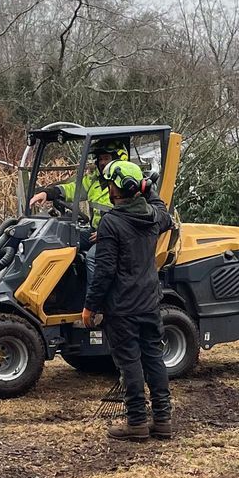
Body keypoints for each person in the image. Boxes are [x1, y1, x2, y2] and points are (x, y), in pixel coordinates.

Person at [81, 158, 174, 441]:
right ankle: (163, 420)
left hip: (122, 308)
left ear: (118, 188)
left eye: (110, 183)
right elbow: (161, 210)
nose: (107, 187)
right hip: (149, 302)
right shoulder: (153, 217)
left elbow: (105, 271)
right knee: (154, 359)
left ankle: (135, 422)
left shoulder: (111, 222)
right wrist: (148, 187)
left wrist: (90, 306)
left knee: (130, 363)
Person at [31, 141, 124, 220]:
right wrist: (48, 193)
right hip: (98, 231)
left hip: (114, 234)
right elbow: (73, 189)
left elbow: (128, 215)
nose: (102, 162)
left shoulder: (126, 183)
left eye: (106, 158)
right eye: (100, 159)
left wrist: (108, 230)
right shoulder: (94, 180)